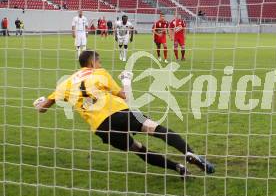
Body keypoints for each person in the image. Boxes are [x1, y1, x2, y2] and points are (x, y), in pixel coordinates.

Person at [33, 50, 214, 178]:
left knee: (139, 149)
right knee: (159, 130)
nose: (100, 64)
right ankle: (190, 154)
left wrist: (38, 103)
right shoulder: (99, 74)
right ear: (92, 63)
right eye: (99, 61)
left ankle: (178, 168)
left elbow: (42, 108)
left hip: (101, 128)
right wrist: (127, 79)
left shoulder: (65, 84)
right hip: (120, 112)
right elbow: (125, 96)